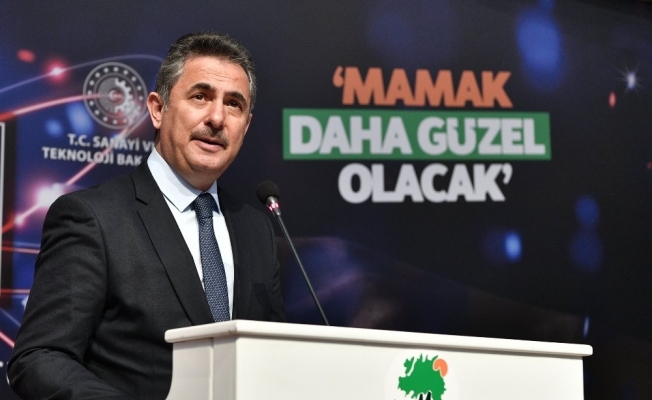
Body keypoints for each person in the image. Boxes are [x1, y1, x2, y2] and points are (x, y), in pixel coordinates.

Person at [8, 32, 285, 400]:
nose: (217, 117)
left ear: (246, 125)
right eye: (200, 97)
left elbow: (273, 359)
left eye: (234, 104)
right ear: (157, 109)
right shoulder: (93, 218)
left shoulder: (257, 229)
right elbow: (40, 357)